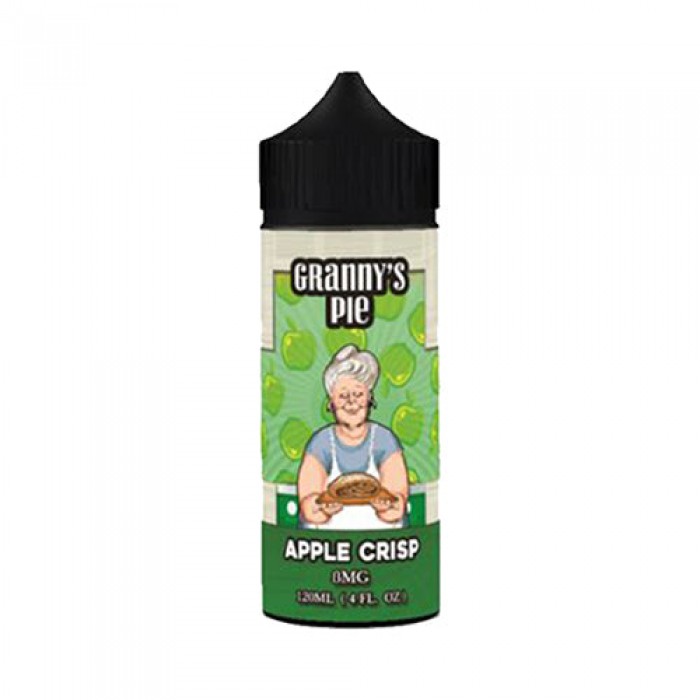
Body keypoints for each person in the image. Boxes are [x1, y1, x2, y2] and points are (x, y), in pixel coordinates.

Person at [297, 345, 409, 529]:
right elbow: (309, 508)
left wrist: (387, 505)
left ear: (369, 398)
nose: (351, 402)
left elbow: (397, 507)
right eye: (343, 396)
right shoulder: (320, 443)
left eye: (358, 394)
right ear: (331, 403)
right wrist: (322, 506)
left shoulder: (385, 440)